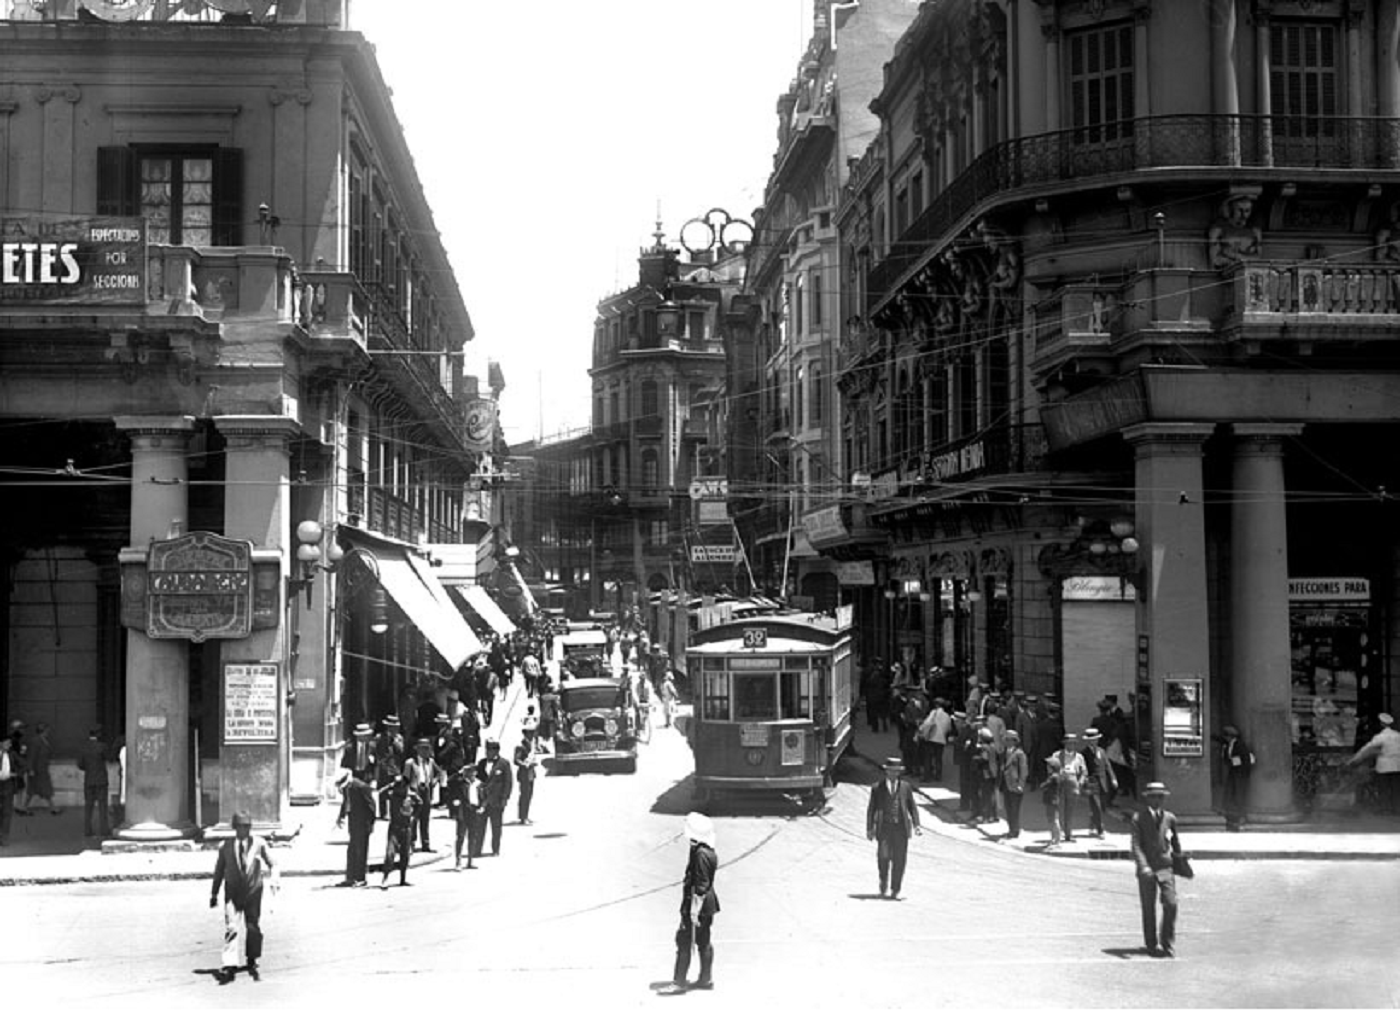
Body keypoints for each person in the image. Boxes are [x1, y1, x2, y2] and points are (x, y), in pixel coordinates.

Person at [209, 811, 276, 984]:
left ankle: (252, 957)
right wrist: (214, 893)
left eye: (247, 827)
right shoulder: (225, 846)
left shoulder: (259, 843)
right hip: (232, 892)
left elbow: (273, 863)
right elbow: (219, 871)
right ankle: (230, 964)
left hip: (253, 891)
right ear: (234, 827)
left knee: (252, 926)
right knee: (232, 927)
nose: (244, 830)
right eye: (240, 826)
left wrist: (274, 879)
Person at [659, 811, 720, 995]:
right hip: (708, 904)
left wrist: (693, 912)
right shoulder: (707, 851)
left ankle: (679, 982)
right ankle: (705, 978)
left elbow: (700, 886)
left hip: (698, 905)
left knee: (684, 941)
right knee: (704, 941)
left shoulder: (700, 854)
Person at [1130, 782, 1185, 958]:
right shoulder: (1138, 819)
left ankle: (1167, 941)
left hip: (1164, 867)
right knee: (1149, 907)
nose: (1157, 800)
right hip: (1147, 869)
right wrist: (1143, 866)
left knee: (1171, 903)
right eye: (1154, 796)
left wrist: (1180, 859)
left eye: (1160, 797)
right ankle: (1151, 943)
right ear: (1147, 798)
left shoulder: (1170, 818)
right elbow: (1136, 845)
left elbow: (1175, 842)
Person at [865, 755, 921, 900]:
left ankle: (895, 889)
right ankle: (883, 880)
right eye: (891, 771)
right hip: (884, 828)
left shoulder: (905, 787)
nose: (893, 774)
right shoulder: (877, 788)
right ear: (886, 772)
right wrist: (870, 828)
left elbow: (912, 807)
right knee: (883, 856)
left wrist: (917, 825)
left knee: (899, 859)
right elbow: (871, 809)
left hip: (901, 829)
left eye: (896, 772)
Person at [1346, 712, 1400, 816]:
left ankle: (1385, 809)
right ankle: (1397, 809)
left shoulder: (1380, 737)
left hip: (1384, 767)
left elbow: (1366, 750)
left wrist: (1353, 761)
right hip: (1397, 766)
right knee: (1396, 788)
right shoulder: (1398, 736)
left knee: (1384, 788)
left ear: (1381, 724)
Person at [334, 769, 375, 887]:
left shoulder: (362, 787)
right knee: (352, 850)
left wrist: (370, 824)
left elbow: (371, 806)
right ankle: (350, 877)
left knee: (361, 851)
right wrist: (341, 817)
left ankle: (361, 878)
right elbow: (345, 802)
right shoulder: (348, 788)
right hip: (353, 823)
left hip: (363, 823)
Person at [379, 774, 417, 890]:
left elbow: (420, 804)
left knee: (405, 854)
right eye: (397, 786)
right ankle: (385, 878)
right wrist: (390, 785)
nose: (398, 788)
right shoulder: (392, 795)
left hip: (406, 828)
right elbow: (381, 793)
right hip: (394, 827)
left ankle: (403, 878)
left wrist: (414, 816)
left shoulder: (412, 796)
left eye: (400, 786)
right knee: (390, 854)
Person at [477, 738, 513, 856]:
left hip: (496, 801)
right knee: (480, 826)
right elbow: (477, 779)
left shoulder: (503, 764)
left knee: (496, 827)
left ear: (497, 750)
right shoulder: (481, 763)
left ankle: (495, 849)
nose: (489, 752)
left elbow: (508, 782)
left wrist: (504, 798)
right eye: (487, 749)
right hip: (483, 801)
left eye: (492, 749)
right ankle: (477, 849)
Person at [446, 760, 484, 870]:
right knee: (460, 836)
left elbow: (484, 797)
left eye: (472, 771)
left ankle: (470, 860)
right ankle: (458, 861)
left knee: (473, 836)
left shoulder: (479, 784)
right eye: (468, 771)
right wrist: (459, 772)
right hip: (463, 811)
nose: (471, 774)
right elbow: (449, 781)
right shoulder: (460, 783)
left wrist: (482, 807)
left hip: (474, 811)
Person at [1080, 727, 1118, 838]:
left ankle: (1092, 824)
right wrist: (1083, 782)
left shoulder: (1102, 751)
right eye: (1091, 740)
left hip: (1103, 782)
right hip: (1091, 782)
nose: (1094, 741)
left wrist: (1113, 778)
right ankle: (1100, 829)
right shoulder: (1084, 753)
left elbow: (1108, 766)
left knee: (1101, 806)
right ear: (1088, 741)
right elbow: (1082, 769)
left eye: (1096, 739)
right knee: (1096, 806)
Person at [404, 738, 440, 852]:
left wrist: (434, 781)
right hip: (415, 790)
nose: (426, 751)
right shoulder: (410, 762)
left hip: (427, 790)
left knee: (425, 817)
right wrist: (409, 793)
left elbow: (439, 772)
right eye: (423, 748)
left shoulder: (431, 762)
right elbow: (405, 779)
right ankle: (411, 843)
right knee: (414, 818)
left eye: (427, 749)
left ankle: (426, 843)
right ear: (417, 749)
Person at [1052, 732, 1087, 842]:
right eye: (1069, 743)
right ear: (1065, 744)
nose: (1071, 746)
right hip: (1060, 782)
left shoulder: (1079, 757)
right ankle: (1058, 833)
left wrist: (1080, 782)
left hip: (1073, 782)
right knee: (1059, 808)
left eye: (1073, 744)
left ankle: (1068, 833)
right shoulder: (1057, 755)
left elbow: (1084, 771)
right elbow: (1050, 769)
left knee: (1070, 810)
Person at [78, 726, 111, 839]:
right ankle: (104, 830)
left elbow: (80, 765)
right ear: (98, 734)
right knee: (102, 807)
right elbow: (108, 758)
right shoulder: (102, 746)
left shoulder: (83, 747)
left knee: (88, 806)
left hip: (89, 780)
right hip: (101, 780)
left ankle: (88, 830)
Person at [1219, 723, 1254, 831]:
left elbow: (1245, 759)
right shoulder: (1228, 745)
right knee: (1231, 794)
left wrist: (1236, 763)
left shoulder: (1239, 744)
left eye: (1226, 736)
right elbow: (1226, 758)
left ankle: (1241, 817)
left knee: (1239, 795)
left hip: (1240, 773)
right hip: (1233, 772)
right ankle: (1233, 817)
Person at [23, 721, 57, 816]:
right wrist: (30, 769)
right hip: (36, 770)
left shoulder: (43, 740)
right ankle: (52, 808)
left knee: (44, 789)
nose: (48, 732)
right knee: (33, 790)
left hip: (42, 769)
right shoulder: (36, 741)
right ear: (43, 730)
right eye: (47, 730)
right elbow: (31, 756)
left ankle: (52, 808)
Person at [1001, 729, 1029, 839]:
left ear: (1015, 741)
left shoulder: (1019, 754)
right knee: (1008, 808)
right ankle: (1010, 829)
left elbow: (1024, 770)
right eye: (1006, 739)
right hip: (1005, 784)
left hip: (1015, 784)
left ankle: (1015, 830)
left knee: (1014, 809)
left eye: (1010, 740)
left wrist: (1021, 784)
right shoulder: (1004, 752)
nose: (1007, 742)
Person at [514, 729, 540, 825]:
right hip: (524, 773)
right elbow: (516, 760)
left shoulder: (531, 745)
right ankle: (522, 817)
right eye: (530, 733)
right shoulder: (520, 746)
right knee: (524, 795)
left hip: (531, 773)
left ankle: (526, 815)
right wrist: (525, 764)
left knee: (529, 795)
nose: (532, 735)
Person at [1041, 756, 1063, 846]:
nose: (1047, 768)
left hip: (1052, 801)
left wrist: (1043, 785)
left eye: (1049, 766)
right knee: (1051, 820)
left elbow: (1043, 786)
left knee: (1054, 820)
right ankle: (1053, 838)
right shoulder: (1053, 776)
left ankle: (1057, 840)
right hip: (1050, 800)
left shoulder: (1054, 777)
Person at [0, 738, 14, 846]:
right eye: (7, 743)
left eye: (10, 743)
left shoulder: (11, 755)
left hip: (7, 786)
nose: (9, 745)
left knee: (6, 812)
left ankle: (4, 837)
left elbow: (24, 764)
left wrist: (16, 773)